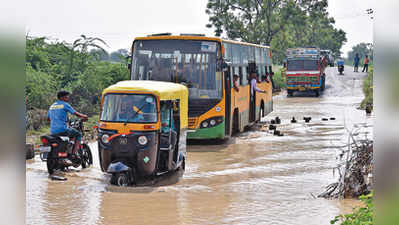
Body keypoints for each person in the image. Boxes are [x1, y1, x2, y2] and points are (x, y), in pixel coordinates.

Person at [48, 91, 88, 157]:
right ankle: (74, 153)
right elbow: (76, 113)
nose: (68, 98)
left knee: (71, 134)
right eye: (66, 97)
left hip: (52, 131)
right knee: (78, 134)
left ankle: (69, 147)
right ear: (62, 97)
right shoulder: (65, 104)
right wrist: (84, 116)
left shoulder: (52, 106)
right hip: (63, 130)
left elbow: (49, 119)